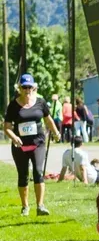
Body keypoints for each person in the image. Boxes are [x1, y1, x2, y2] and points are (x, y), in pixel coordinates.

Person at [4, 73, 60, 216]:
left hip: (38, 143)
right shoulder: (13, 105)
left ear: (34, 88)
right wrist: (14, 137)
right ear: (20, 89)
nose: (27, 90)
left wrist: (56, 132)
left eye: (30, 87)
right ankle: (25, 206)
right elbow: (7, 127)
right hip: (20, 145)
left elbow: (48, 120)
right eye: (24, 87)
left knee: (38, 172)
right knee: (23, 175)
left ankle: (40, 206)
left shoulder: (40, 102)